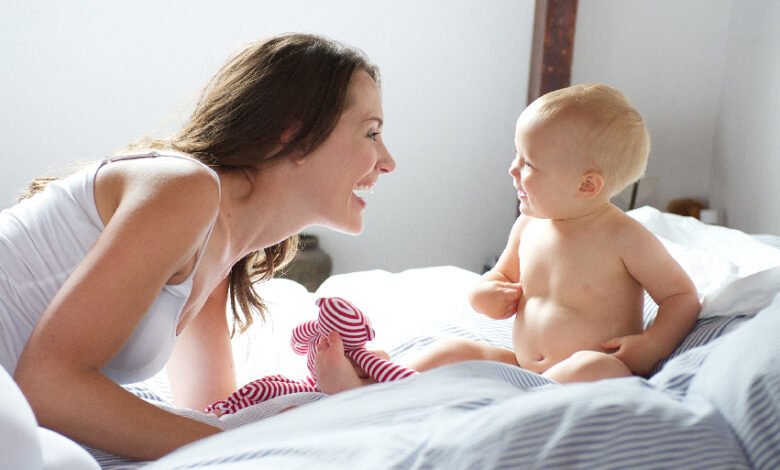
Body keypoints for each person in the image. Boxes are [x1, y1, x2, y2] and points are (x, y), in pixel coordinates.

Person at [0, 32, 395, 461]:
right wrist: (264, 450)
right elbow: (49, 387)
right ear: (294, 136)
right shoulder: (183, 188)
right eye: (371, 133)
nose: (388, 160)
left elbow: (211, 414)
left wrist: (338, 392)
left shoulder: (217, 253)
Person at [406, 84, 700, 383]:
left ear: (586, 185)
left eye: (528, 163)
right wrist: (483, 294)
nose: (512, 169)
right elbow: (501, 275)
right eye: (516, 155)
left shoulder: (624, 237)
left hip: (586, 369)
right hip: (522, 366)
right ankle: (386, 376)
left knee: (596, 366)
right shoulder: (529, 225)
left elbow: (681, 296)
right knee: (451, 351)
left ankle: (534, 405)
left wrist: (652, 345)